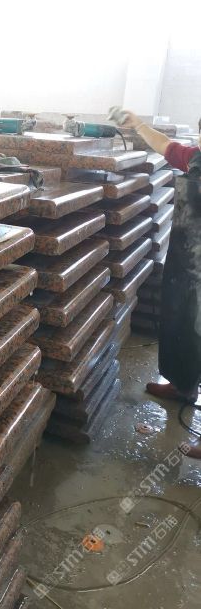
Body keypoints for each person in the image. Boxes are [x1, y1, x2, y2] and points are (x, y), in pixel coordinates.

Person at [122, 110, 201, 459]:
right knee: (182, 325)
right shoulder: (196, 159)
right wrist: (138, 125)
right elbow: (167, 147)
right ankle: (183, 386)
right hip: (187, 264)